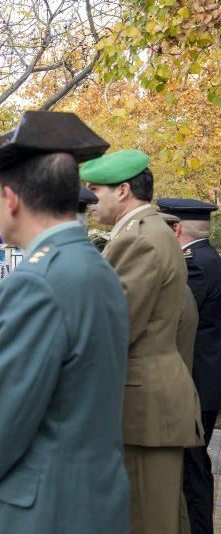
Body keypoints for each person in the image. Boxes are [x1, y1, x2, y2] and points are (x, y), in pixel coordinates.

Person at [0, 111, 130, 532]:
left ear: (10, 199)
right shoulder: (96, 267)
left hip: (39, 511)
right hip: (94, 501)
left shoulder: (36, 282)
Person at [82, 149, 203, 533]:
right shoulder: (152, 232)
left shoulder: (140, 239)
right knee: (164, 516)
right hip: (151, 406)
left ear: (122, 191)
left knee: (148, 521)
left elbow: (113, 328)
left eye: (94, 190)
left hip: (143, 409)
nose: (88, 201)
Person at [157, 198, 221, 534]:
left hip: (196, 382)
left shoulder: (195, 264)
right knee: (193, 466)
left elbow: (175, 316)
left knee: (192, 468)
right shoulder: (210, 259)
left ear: (177, 229)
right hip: (204, 381)